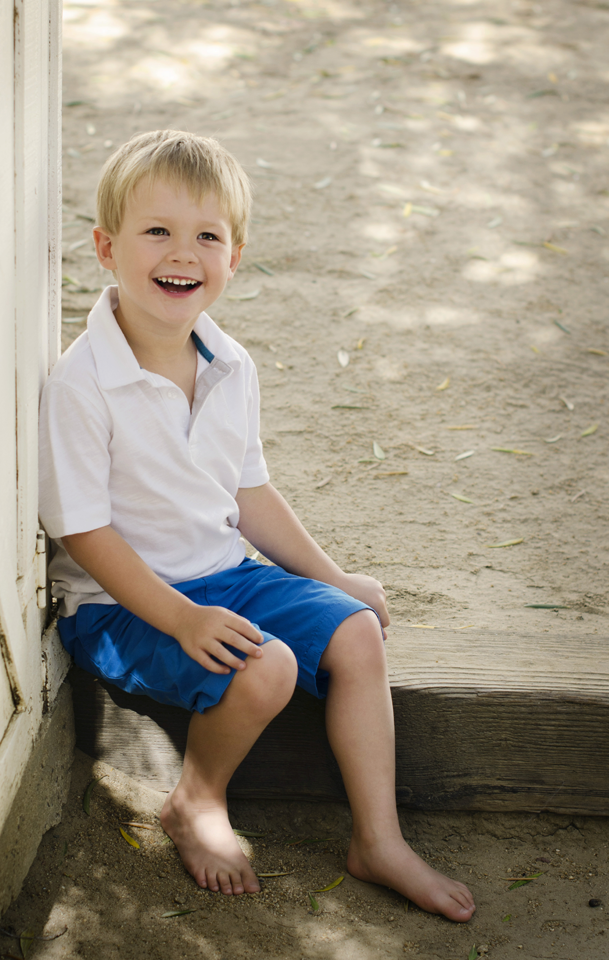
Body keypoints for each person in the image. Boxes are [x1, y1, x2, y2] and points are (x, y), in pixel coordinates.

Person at [38, 129, 475, 922]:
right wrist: (183, 617)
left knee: (357, 632)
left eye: (207, 236)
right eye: (158, 231)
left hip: (225, 575)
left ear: (234, 257)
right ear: (106, 248)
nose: (183, 253)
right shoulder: (82, 383)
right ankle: (197, 802)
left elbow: (250, 493)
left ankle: (378, 839)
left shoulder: (230, 363)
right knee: (265, 666)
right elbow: (85, 536)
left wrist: (332, 578)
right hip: (119, 606)